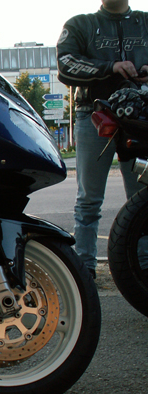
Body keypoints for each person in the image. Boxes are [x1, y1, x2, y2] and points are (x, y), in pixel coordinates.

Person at [57, 0, 148, 278]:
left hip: (140, 115)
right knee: (88, 199)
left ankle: (143, 266)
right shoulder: (80, 24)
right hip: (93, 114)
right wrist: (111, 67)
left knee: (142, 199)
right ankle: (85, 269)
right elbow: (65, 64)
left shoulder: (145, 21)